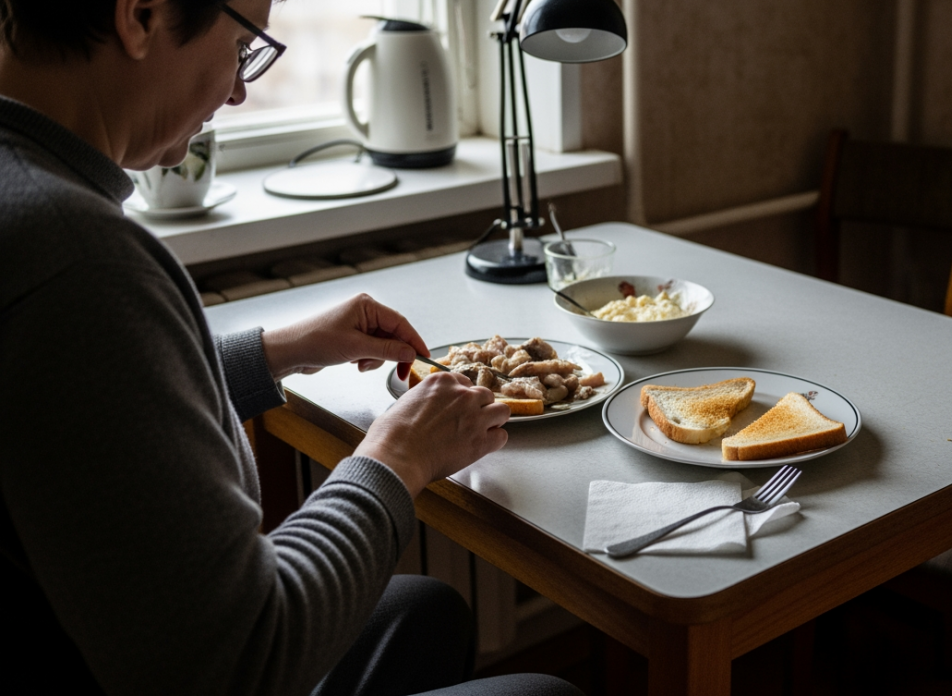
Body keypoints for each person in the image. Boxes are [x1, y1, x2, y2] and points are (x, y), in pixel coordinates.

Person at [0, 1, 582, 694]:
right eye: (243, 45)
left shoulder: (33, 210)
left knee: (423, 610)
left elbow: (94, 413)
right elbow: (245, 658)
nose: (239, 89)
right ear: (142, 14)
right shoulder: (78, 262)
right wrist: (396, 457)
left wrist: (279, 350)